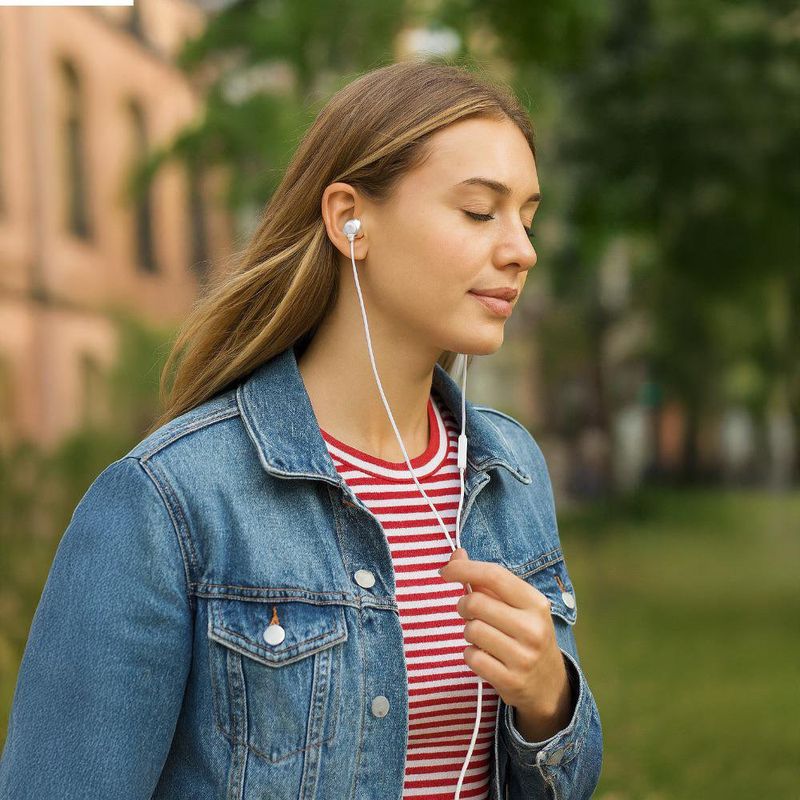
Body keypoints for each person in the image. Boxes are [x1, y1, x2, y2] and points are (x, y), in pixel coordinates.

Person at [0, 60, 602, 799]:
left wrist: (549, 700)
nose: (521, 250)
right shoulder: (169, 502)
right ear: (350, 217)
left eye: (527, 218)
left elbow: (559, 784)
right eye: (480, 211)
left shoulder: (511, 471)